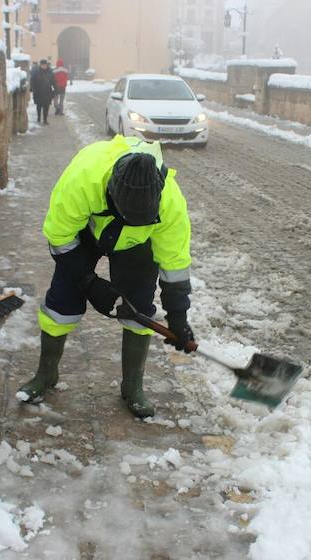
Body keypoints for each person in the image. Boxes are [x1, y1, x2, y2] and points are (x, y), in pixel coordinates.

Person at [18, 135, 195, 418]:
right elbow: (59, 237)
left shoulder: (170, 204)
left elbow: (174, 262)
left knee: (140, 310)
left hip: (137, 245)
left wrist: (178, 317)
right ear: (111, 191)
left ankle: (132, 386)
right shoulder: (83, 179)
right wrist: (88, 281)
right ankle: (46, 373)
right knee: (62, 301)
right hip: (84, 234)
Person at [30, 58, 56, 124]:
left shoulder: (50, 72)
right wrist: (33, 89)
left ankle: (45, 119)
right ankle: (38, 117)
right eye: (42, 65)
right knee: (39, 106)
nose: (44, 66)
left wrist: (56, 89)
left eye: (45, 65)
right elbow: (32, 81)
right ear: (40, 65)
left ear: (46, 65)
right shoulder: (36, 72)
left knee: (46, 107)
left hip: (47, 92)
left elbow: (54, 82)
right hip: (38, 92)